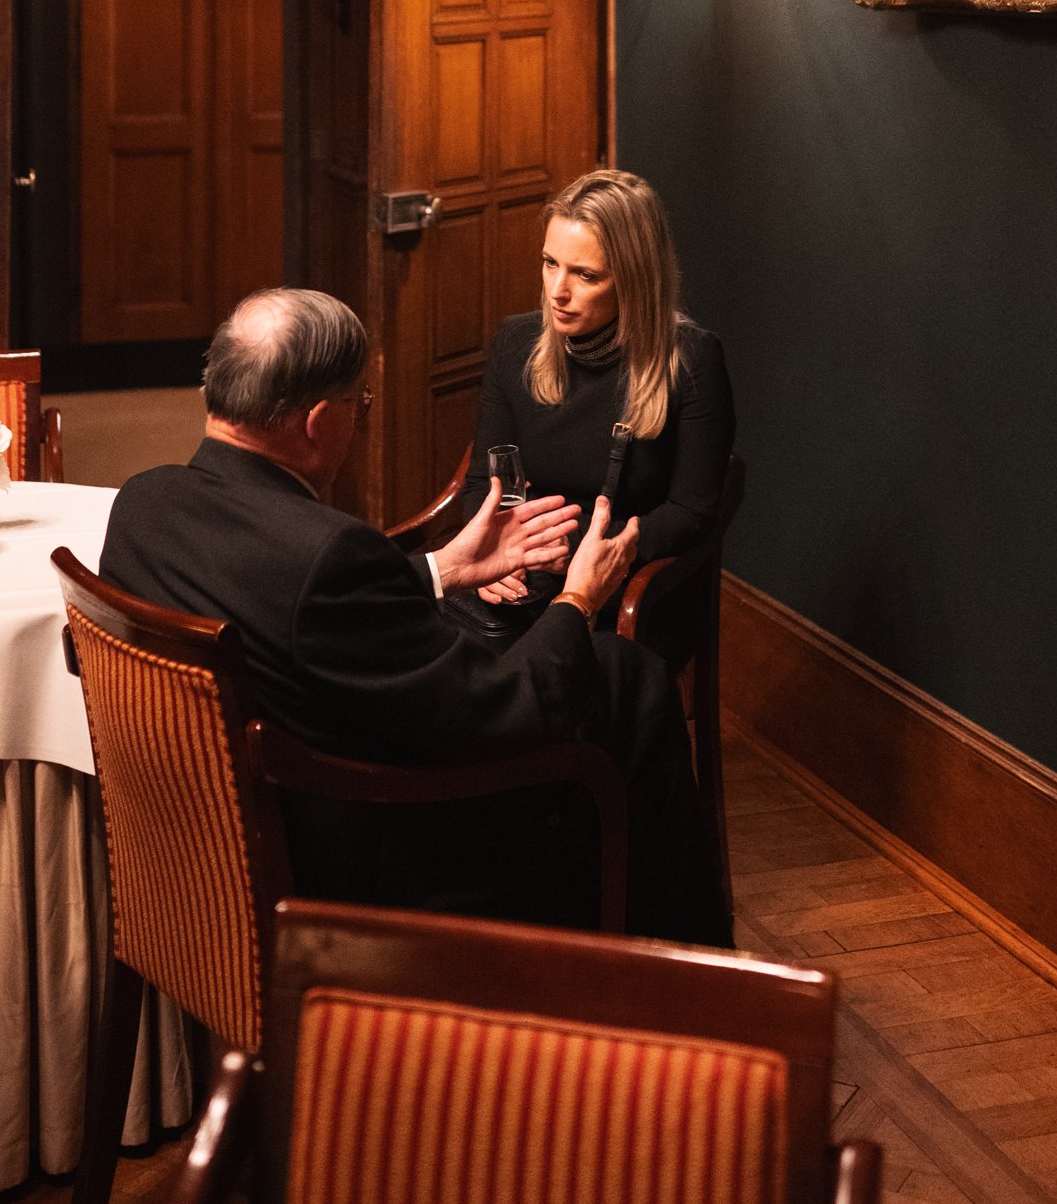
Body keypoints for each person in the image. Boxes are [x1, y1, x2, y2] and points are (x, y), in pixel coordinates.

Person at [98, 286, 726, 943]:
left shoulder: (142, 505)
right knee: (623, 672)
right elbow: (504, 711)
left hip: (216, 845)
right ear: (316, 421)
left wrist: (444, 569)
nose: (359, 418)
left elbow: (286, 600)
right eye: (357, 404)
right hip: (370, 859)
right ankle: (687, 974)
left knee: (598, 669)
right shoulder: (329, 553)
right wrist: (578, 596)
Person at [454, 168, 735, 633]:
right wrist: (494, 554)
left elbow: (692, 511)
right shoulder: (515, 342)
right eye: (550, 263)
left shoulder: (692, 360)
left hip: (626, 584)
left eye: (585, 275)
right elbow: (484, 478)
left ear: (635, 280)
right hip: (526, 568)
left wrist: (596, 551)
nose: (557, 291)